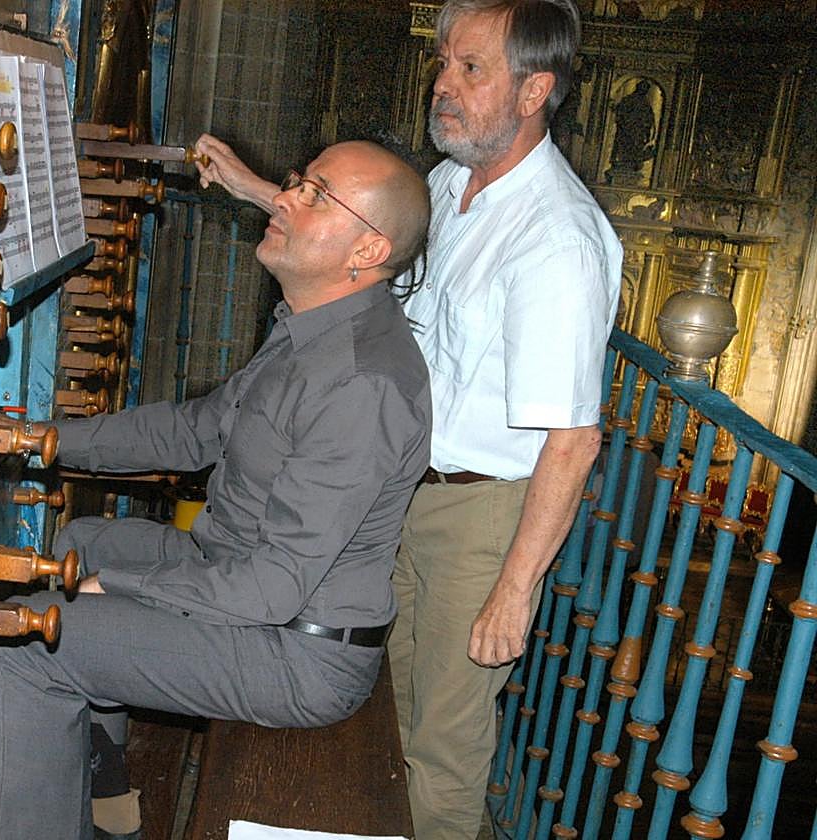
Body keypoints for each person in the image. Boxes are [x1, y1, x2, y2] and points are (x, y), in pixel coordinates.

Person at [195, 1, 623, 836]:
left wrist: (513, 590)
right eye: (445, 65)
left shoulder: (559, 240)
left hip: (481, 514)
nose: (445, 87)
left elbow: (573, 440)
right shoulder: (448, 181)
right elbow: (362, 248)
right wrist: (257, 190)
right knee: (380, 714)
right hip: (403, 489)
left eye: (472, 70)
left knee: (443, 752)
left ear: (535, 89)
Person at [0, 139, 433, 840]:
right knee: (79, 540)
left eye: (316, 195)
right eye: (299, 181)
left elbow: (270, 588)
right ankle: (108, 806)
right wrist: (35, 439)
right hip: (236, 577)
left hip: (297, 651)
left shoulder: (362, 385)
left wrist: (125, 587)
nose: (283, 198)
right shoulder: (309, 329)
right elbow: (194, 432)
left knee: (27, 641)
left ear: (367, 250)